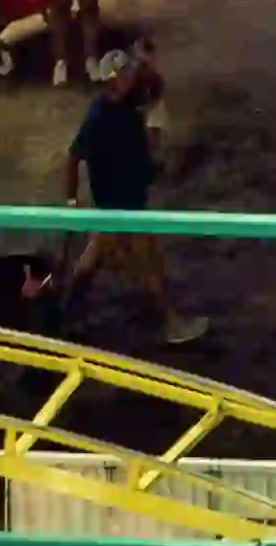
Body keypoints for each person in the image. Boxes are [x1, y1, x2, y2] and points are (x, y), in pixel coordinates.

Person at [58, 44, 206, 345]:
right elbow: (73, 156)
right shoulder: (99, 115)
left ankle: (61, 316)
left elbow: (155, 88)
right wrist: (71, 201)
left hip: (121, 198)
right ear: (112, 80)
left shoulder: (127, 101)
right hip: (120, 202)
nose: (131, 77)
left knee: (94, 257)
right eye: (126, 74)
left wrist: (146, 63)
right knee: (148, 260)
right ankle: (171, 323)